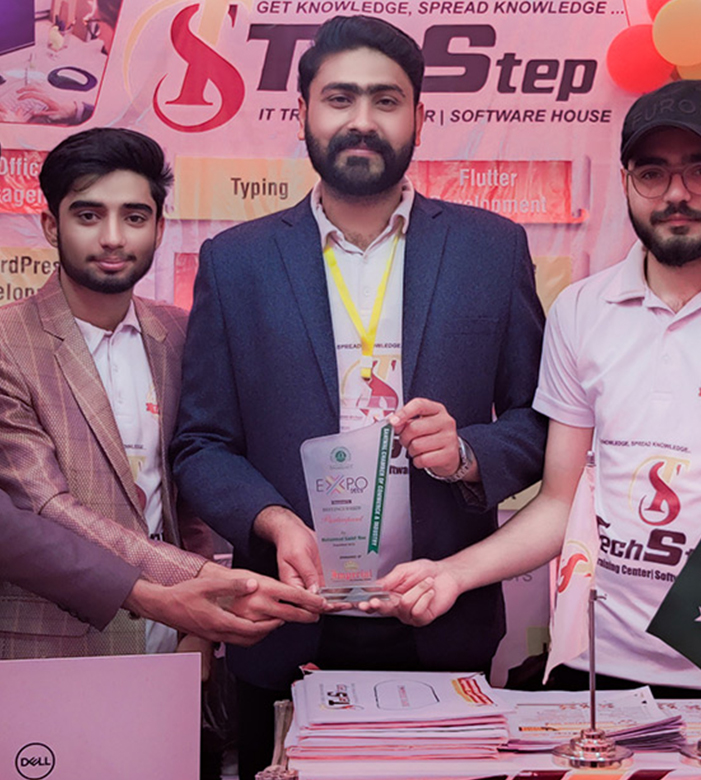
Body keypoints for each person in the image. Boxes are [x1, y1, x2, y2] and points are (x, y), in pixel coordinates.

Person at [172, 14, 546, 776]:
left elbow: (540, 419)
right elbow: (202, 443)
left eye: (387, 99)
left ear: (419, 119)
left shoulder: (492, 248)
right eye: (340, 98)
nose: (363, 120)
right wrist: (274, 521)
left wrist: (468, 453)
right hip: (287, 618)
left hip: (442, 615)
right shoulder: (237, 261)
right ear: (303, 113)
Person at [370, 78, 701, 696]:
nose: (676, 194)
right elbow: (560, 503)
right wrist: (451, 574)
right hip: (592, 668)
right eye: (652, 173)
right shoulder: (582, 310)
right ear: (626, 182)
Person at [0, 127, 324, 660]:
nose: (112, 238)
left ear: (159, 227)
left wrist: (199, 631)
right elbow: (44, 505)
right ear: (50, 225)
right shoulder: (9, 341)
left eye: (134, 217)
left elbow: (187, 488)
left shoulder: (179, 333)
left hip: (173, 644)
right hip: (52, 645)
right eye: (88, 215)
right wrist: (197, 578)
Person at [0, 487, 314, 645]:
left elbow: (181, 499)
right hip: (53, 644)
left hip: (171, 653)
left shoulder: (169, 373)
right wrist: (204, 578)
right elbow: (36, 505)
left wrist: (197, 637)